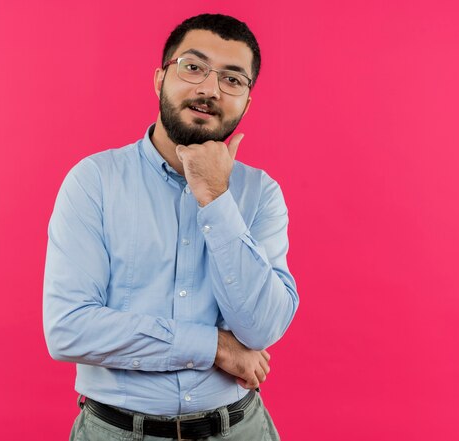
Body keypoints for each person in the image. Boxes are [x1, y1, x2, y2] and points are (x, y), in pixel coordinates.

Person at [43, 13, 299, 441]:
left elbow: (262, 328)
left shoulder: (261, 193)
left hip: (239, 428)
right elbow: (69, 328)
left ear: (247, 102)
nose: (209, 90)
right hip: (116, 431)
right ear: (160, 79)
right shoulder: (95, 182)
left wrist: (216, 198)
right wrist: (213, 347)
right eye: (193, 67)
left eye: (233, 80)